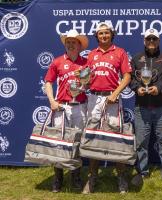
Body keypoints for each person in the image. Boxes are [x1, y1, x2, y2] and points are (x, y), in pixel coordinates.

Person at [82, 22, 132, 194]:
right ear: (97, 36)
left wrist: (116, 93)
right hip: (94, 97)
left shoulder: (120, 52)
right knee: (92, 135)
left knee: (116, 138)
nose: (103, 36)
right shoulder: (91, 54)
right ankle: (92, 177)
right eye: (100, 33)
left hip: (112, 98)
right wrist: (82, 80)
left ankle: (121, 178)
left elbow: (127, 76)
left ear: (112, 34)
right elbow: (87, 79)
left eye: (106, 33)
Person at [130, 28, 162, 190]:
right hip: (141, 107)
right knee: (141, 143)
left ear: (158, 41)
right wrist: (137, 87)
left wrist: (159, 87)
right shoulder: (137, 58)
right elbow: (129, 78)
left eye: (154, 39)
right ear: (144, 41)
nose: (151, 42)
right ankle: (141, 172)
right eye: (149, 39)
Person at [44, 29, 89, 192]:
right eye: (68, 42)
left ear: (79, 45)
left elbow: (88, 85)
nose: (70, 45)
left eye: (74, 42)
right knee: (59, 142)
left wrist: (83, 76)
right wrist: (52, 101)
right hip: (62, 107)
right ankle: (58, 177)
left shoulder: (85, 63)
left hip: (80, 107)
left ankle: (75, 176)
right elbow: (48, 82)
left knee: (77, 141)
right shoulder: (57, 62)